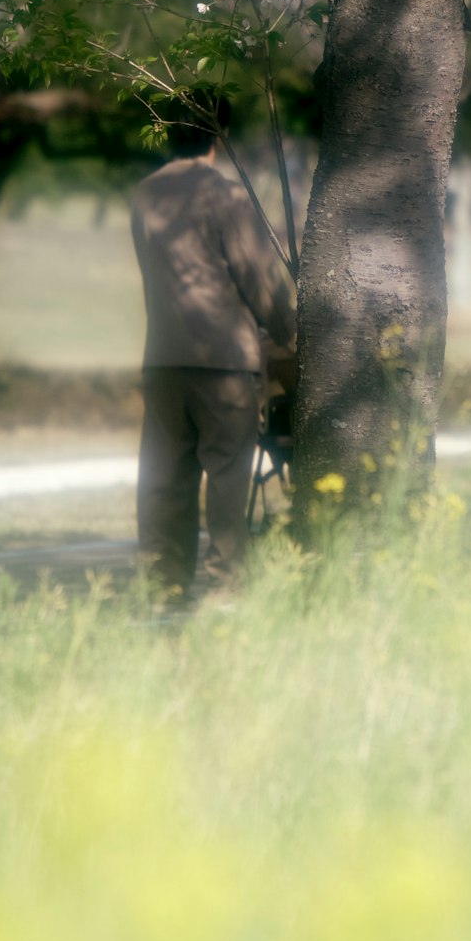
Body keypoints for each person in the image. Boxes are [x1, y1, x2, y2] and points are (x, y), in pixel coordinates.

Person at [129, 106, 295, 596]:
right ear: (216, 136)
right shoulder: (225, 195)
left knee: (164, 479)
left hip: (162, 356)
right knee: (226, 477)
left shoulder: (144, 195)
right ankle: (226, 587)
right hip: (224, 360)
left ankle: (164, 585)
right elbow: (258, 277)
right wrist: (284, 328)